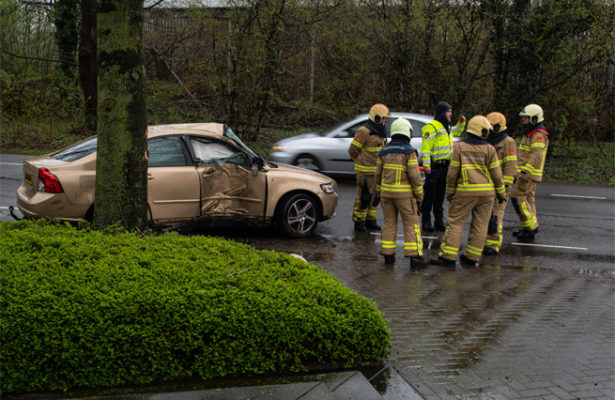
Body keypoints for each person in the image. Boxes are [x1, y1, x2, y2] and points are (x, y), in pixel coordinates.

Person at [432, 115, 506, 268]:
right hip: (486, 194)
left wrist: (450, 193)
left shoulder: (460, 147)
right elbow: (497, 175)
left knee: (455, 223)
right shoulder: (490, 149)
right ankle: (472, 257)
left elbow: (452, 173)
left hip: (465, 191)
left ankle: (448, 257)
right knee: (480, 225)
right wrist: (501, 194)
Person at [373, 118, 427, 268]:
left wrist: (378, 192)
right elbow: (415, 177)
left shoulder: (383, 152)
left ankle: (388, 256)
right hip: (405, 196)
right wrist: (419, 196)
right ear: (407, 132)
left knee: (389, 223)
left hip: (386, 194)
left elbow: (377, 175)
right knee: (411, 224)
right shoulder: (409, 152)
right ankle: (415, 258)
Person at [420, 101, 466, 232]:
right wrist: (427, 165)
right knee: (430, 195)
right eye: (448, 111)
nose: (450, 114)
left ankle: (439, 221)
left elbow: (456, 133)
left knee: (440, 195)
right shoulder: (432, 127)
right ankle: (426, 221)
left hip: (445, 166)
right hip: (434, 167)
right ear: (442, 112)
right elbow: (426, 148)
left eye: (451, 111)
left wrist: (461, 123)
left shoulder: (447, 127)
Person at [510, 103, 549, 242]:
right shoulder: (530, 133)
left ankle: (529, 228)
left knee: (517, 198)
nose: (524, 120)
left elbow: (536, 155)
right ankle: (531, 226)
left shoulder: (538, 135)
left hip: (527, 175)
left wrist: (525, 171)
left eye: (526, 118)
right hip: (527, 174)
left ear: (534, 119)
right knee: (528, 200)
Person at [348, 103, 390, 232]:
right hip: (365, 173)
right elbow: (352, 150)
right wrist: (361, 163)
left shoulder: (381, 132)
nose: (386, 121)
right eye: (384, 118)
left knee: (375, 198)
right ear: (376, 118)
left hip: (377, 173)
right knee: (364, 198)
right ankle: (359, 222)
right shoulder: (363, 131)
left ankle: (370, 220)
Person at [483, 112, 518, 255]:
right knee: (485, 215)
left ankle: (492, 244)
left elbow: (511, 166)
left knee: (496, 216)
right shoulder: (487, 140)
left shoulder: (508, 142)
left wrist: (504, 188)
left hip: (500, 186)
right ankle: (483, 241)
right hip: (486, 185)